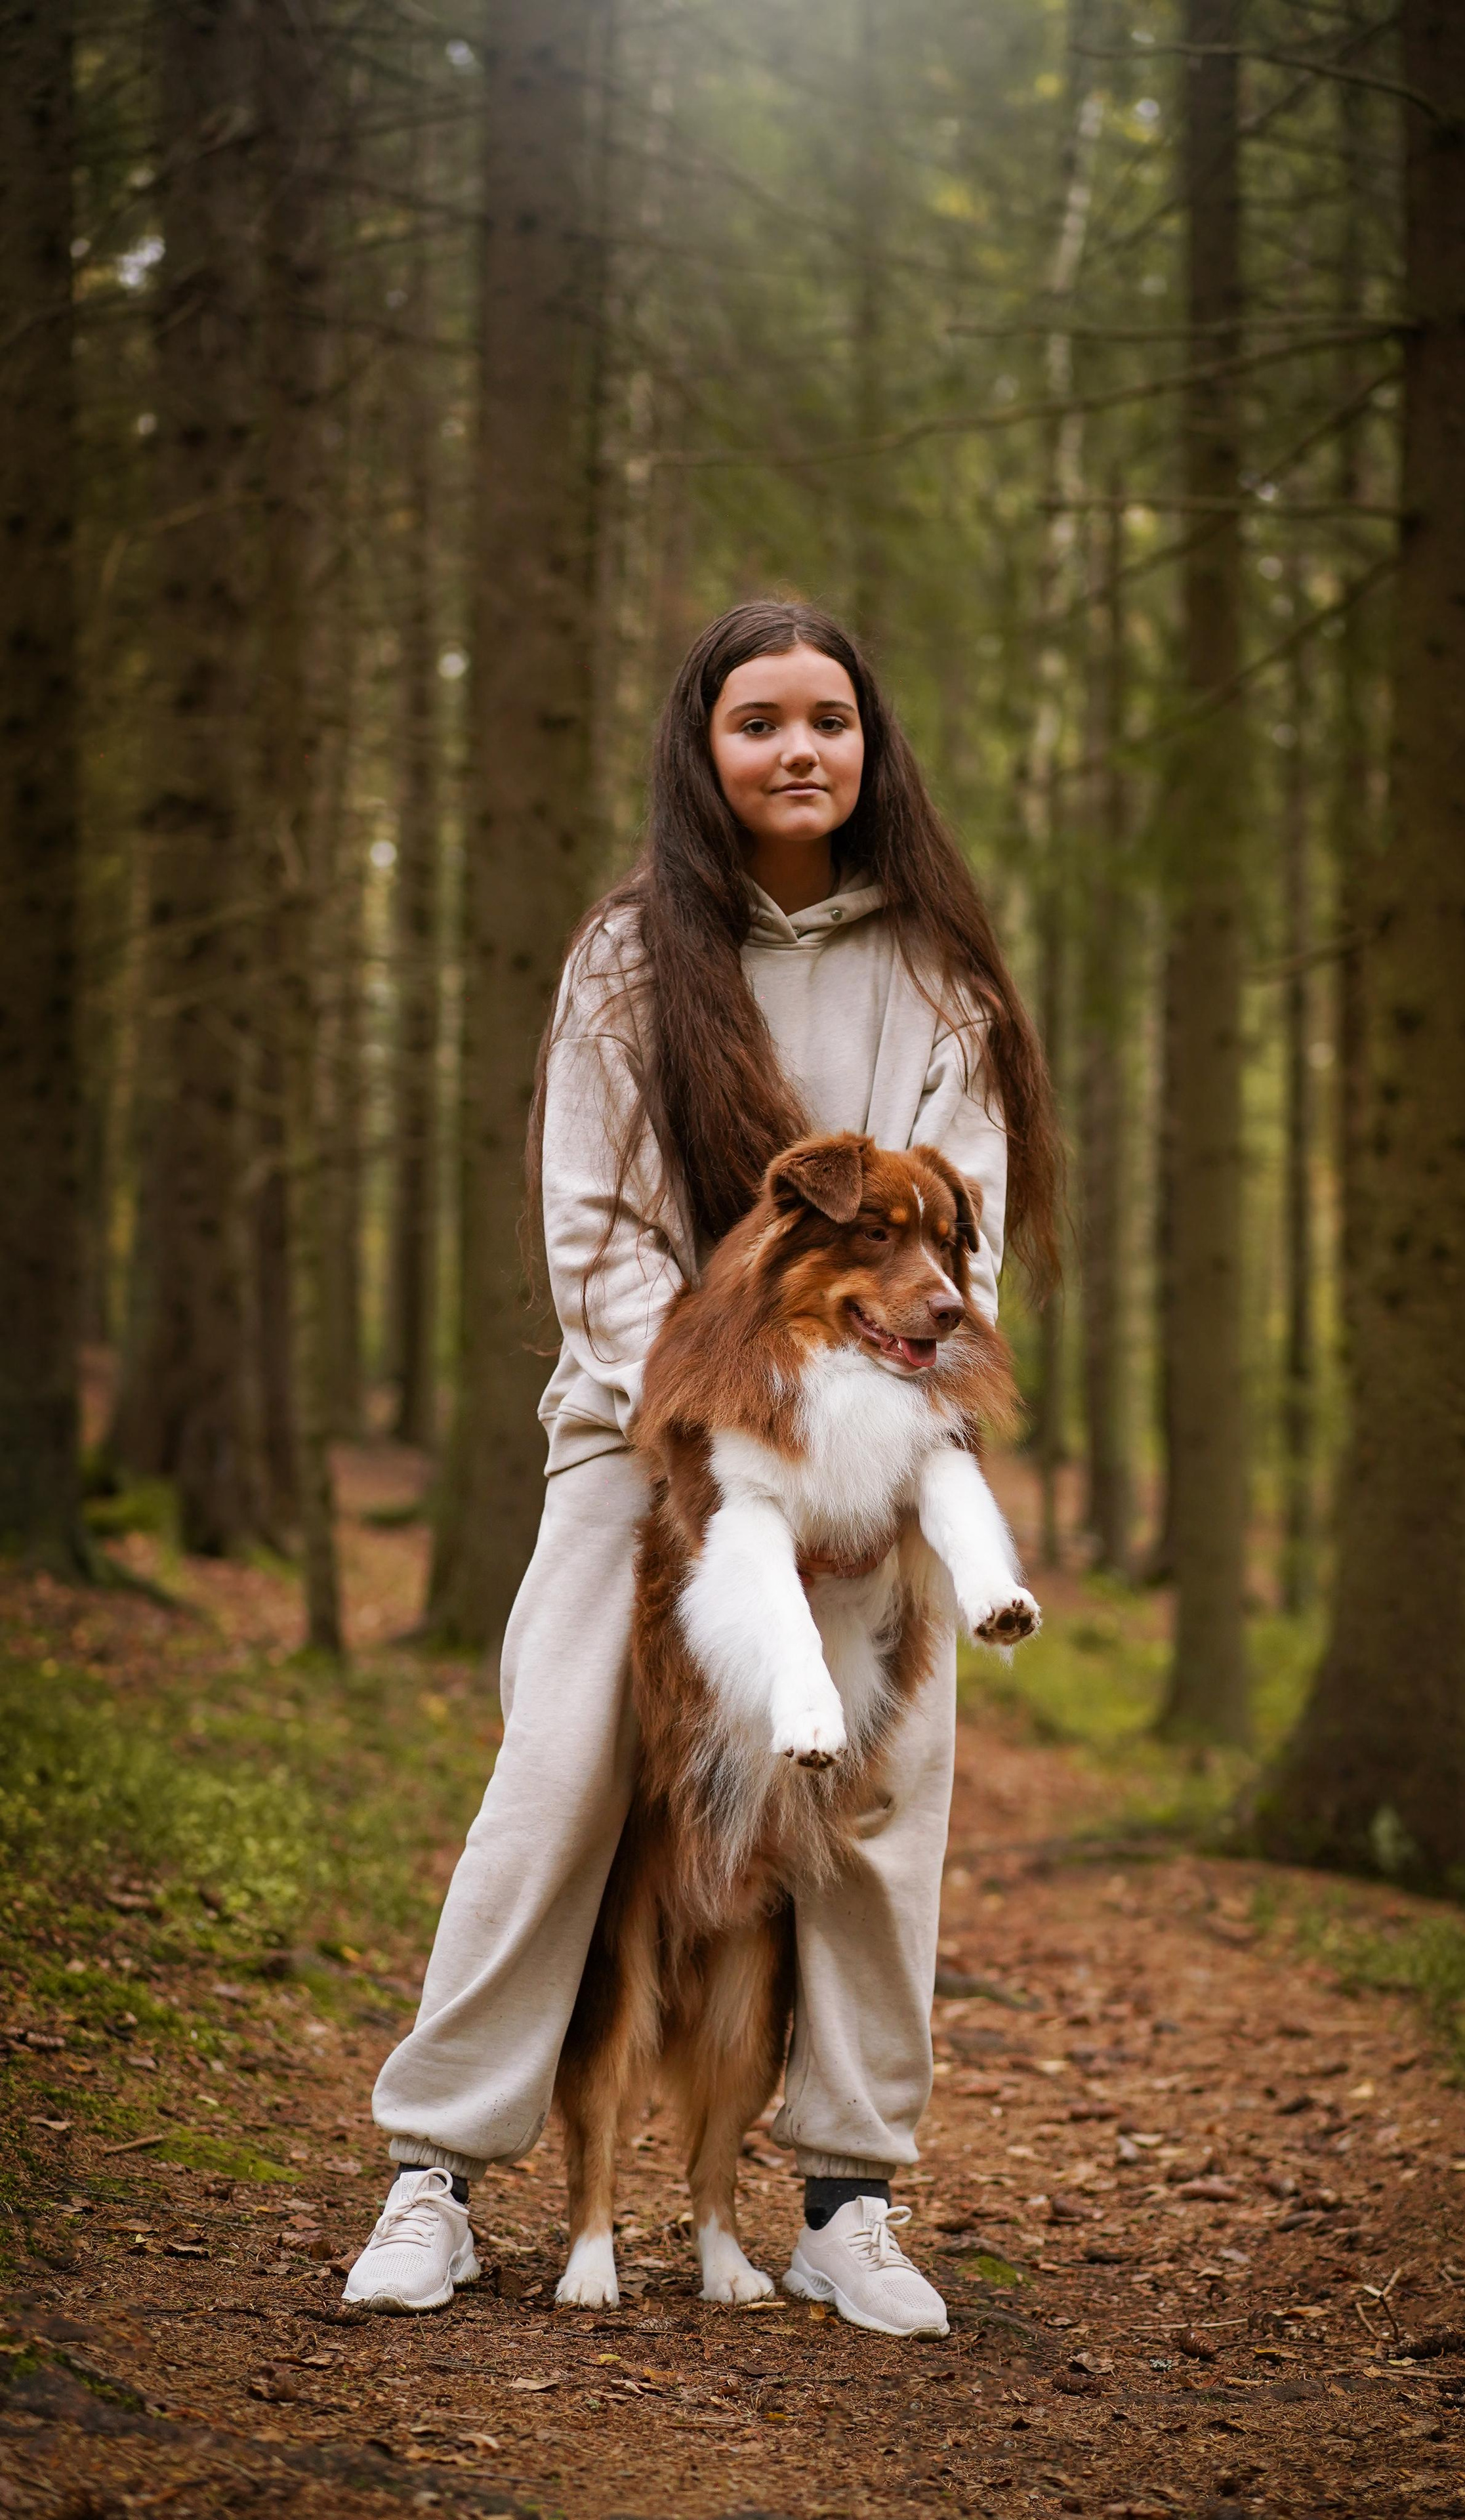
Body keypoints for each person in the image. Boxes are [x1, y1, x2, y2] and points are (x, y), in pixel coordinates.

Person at [343, 598, 1057, 2334]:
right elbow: (591, 1232)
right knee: (571, 1755)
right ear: (705, 747)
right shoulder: (626, 959)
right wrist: (721, 1436)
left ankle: (846, 2197)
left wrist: (870, 1446)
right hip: (643, 1437)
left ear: (870, 746)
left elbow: (964, 1234)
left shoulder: (945, 978)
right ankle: (434, 2168)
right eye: (760, 722)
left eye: (831, 719)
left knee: (879, 1797)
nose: (800, 749)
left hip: (886, 1439)